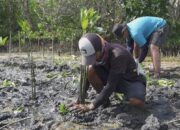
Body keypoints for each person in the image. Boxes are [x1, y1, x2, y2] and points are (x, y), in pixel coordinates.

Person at [69, 33, 146, 112]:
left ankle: (127, 97)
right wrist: (80, 99)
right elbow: (86, 77)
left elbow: (111, 84)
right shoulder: (96, 54)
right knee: (90, 70)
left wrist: (91, 106)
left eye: (93, 56)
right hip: (112, 76)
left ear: (99, 50)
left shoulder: (118, 55)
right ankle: (105, 102)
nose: (92, 60)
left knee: (136, 102)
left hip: (131, 80)